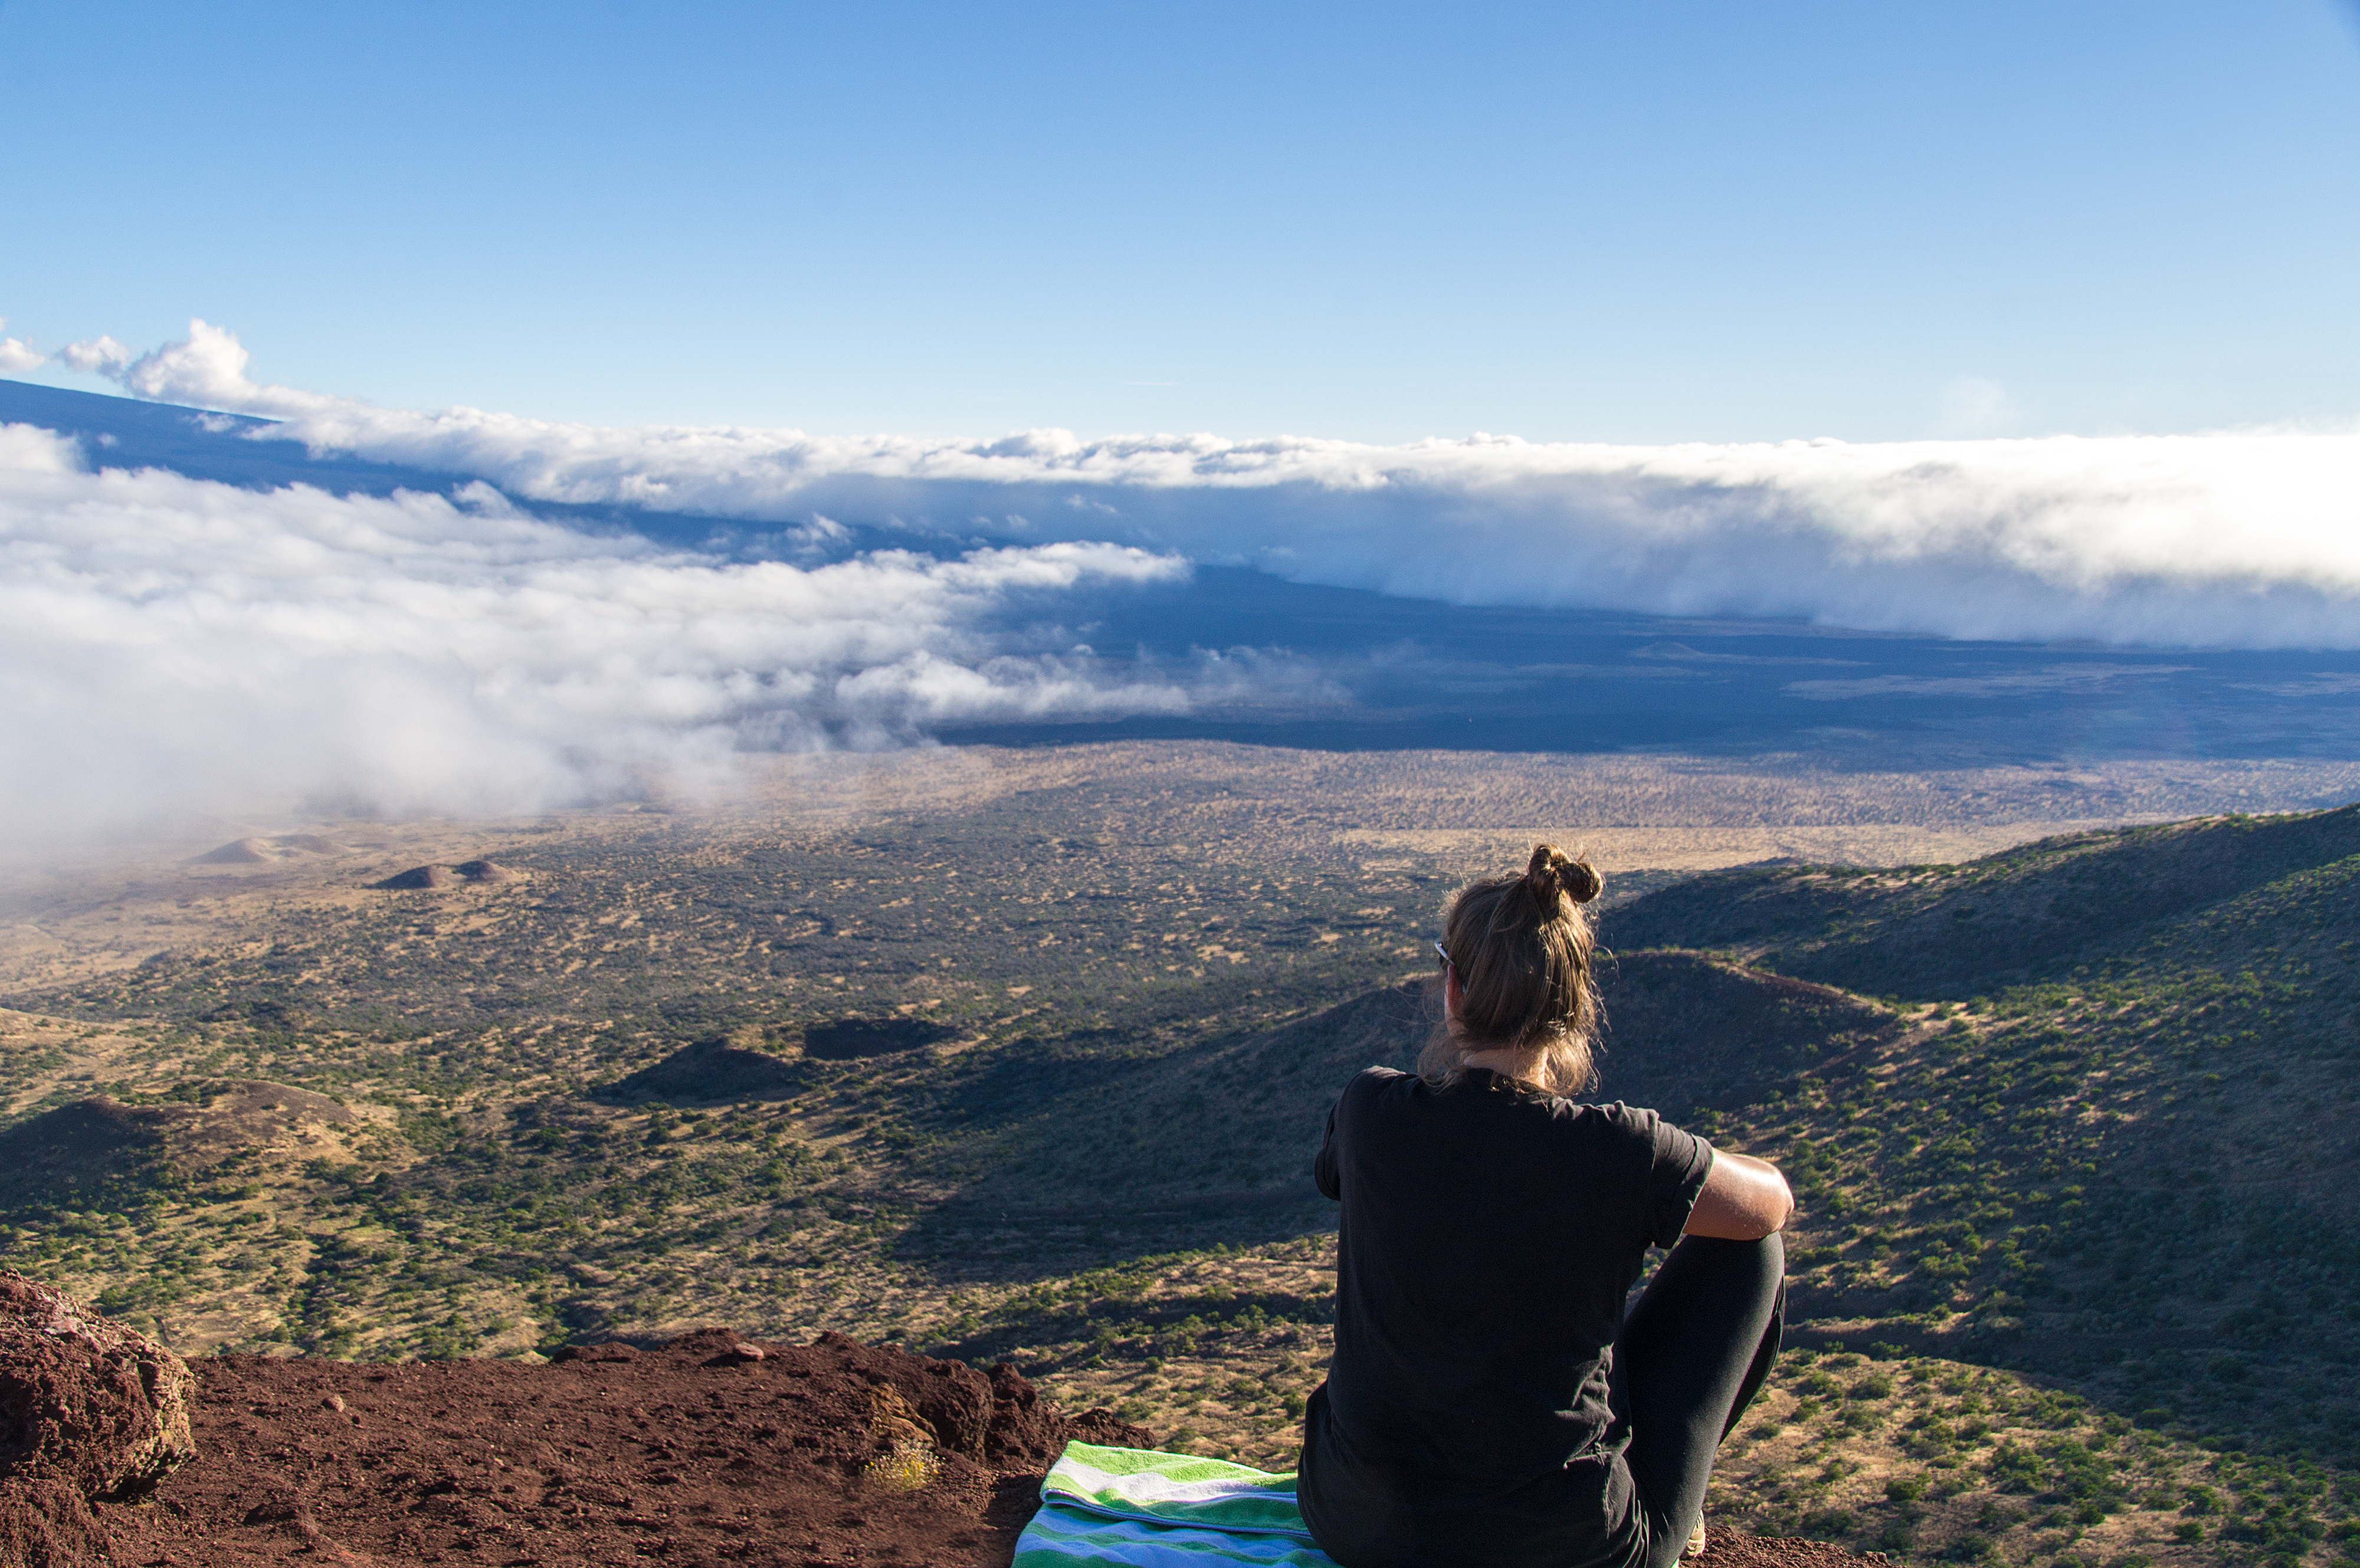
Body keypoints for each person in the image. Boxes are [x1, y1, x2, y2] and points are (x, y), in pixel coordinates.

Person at [1299, 844, 1791, 1568]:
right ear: (1573, 1006)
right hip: (1568, 1549)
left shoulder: (1372, 1110)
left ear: (1454, 991)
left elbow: (1339, 1178)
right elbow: (1770, 1204)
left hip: (1354, 1524)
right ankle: (1676, 1514)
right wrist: (1685, 1172)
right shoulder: (1623, 1152)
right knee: (1755, 1252)